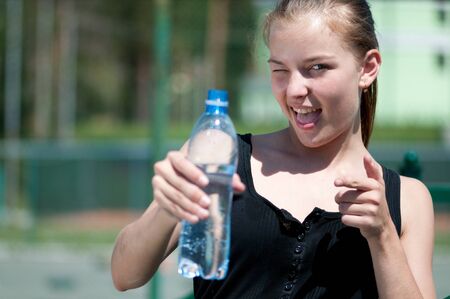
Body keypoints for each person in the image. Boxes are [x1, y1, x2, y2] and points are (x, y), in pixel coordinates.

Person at [111, 0, 436, 298]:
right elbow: (124, 274)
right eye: (280, 70)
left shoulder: (407, 199)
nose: (294, 89)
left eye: (317, 68)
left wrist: (383, 237)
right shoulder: (218, 155)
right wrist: (168, 209)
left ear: (367, 68)